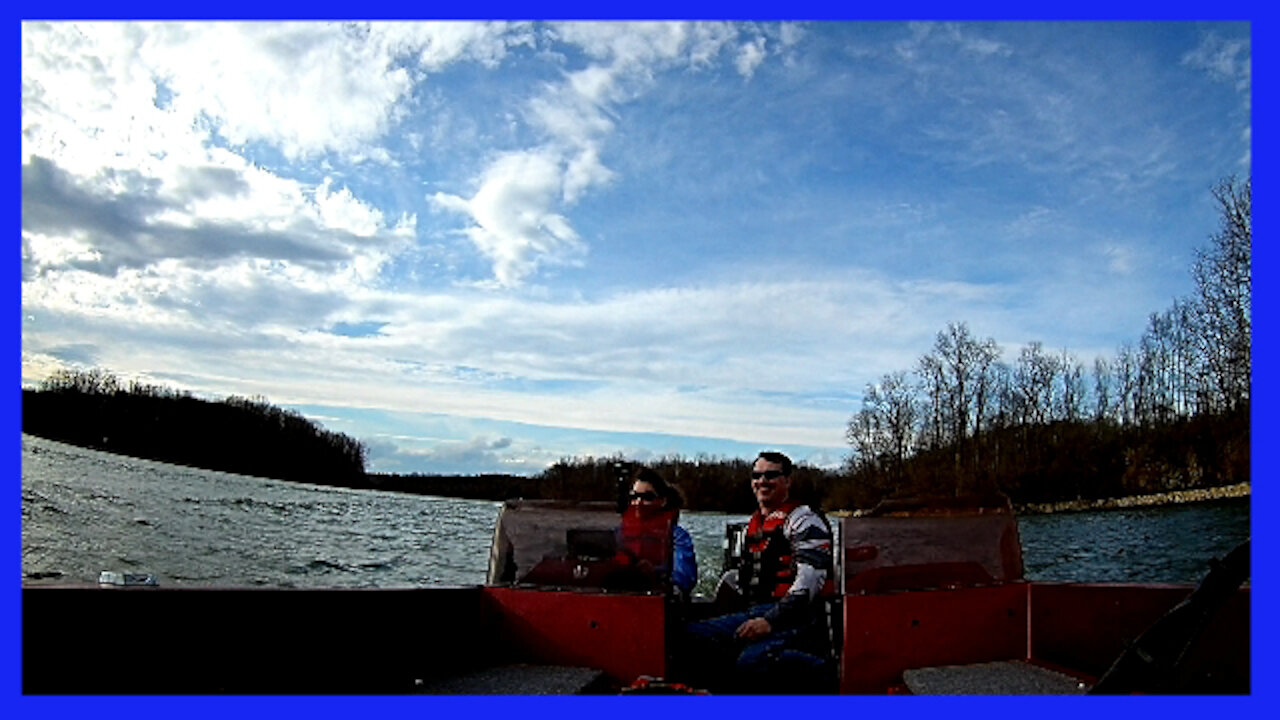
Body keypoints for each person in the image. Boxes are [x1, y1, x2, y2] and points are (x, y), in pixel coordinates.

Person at [680, 451, 835, 693]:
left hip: (799, 616)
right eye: (757, 475)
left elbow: (810, 582)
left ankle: (827, 677)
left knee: (753, 661)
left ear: (788, 481)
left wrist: (769, 621)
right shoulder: (751, 526)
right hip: (755, 611)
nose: (762, 481)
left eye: (771, 475)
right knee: (691, 636)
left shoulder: (804, 520)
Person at [624, 467, 698, 597]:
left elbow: (685, 578)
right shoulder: (619, 532)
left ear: (662, 501)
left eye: (647, 497)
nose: (638, 502)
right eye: (634, 496)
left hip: (660, 605)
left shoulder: (677, 536)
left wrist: (654, 572)